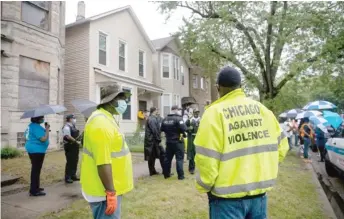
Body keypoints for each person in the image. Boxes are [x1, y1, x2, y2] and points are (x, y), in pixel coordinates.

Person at [194, 66, 289, 219]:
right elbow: (282, 147)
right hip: (259, 196)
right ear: (240, 87)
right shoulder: (264, 111)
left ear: (218, 88)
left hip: (226, 201)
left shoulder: (214, 113)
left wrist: (204, 186)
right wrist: (264, 168)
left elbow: (207, 159)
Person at [81, 84, 133, 219]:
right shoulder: (101, 123)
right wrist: (110, 193)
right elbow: (103, 161)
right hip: (103, 191)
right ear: (111, 100)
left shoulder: (107, 118)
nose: (124, 102)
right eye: (121, 98)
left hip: (108, 187)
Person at [24, 116, 50, 196]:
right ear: (38, 119)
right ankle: (34, 190)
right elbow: (43, 139)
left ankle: (36, 187)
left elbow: (26, 136)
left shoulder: (30, 126)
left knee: (36, 169)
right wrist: (47, 129)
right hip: (37, 150)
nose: (43, 119)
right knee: (36, 170)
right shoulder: (36, 127)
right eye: (42, 117)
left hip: (32, 149)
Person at [161, 105, 187, 180]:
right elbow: (184, 128)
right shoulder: (178, 118)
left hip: (169, 142)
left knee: (167, 159)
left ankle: (166, 174)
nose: (179, 111)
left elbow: (162, 129)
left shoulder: (165, 119)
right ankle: (180, 176)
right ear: (175, 110)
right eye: (178, 110)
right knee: (179, 159)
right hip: (177, 142)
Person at [144, 107, 165, 176]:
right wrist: (158, 139)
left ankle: (152, 171)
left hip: (151, 141)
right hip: (153, 141)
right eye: (157, 110)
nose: (157, 111)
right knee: (162, 154)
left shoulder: (150, 118)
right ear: (154, 111)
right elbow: (154, 130)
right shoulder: (152, 119)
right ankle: (165, 171)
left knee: (151, 157)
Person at [62, 114, 80, 183]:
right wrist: (76, 141)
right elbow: (68, 136)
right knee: (70, 161)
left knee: (75, 160)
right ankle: (68, 177)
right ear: (70, 119)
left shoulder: (73, 126)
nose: (75, 119)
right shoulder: (66, 127)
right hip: (69, 145)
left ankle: (73, 175)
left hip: (75, 146)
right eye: (73, 118)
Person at [186, 109, 201, 174]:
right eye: (195, 112)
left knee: (200, 153)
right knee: (192, 153)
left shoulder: (201, 119)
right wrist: (189, 128)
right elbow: (184, 127)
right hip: (192, 137)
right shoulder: (190, 120)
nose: (196, 114)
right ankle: (191, 168)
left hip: (199, 138)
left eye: (197, 112)